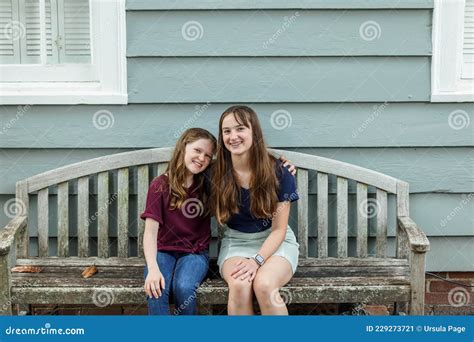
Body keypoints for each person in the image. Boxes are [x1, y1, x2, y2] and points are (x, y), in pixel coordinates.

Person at [212, 105, 300, 315]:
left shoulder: (280, 173)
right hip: (236, 242)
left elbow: (278, 230)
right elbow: (182, 175)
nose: (233, 136)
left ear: (254, 132)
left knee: (264, 285)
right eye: (227, 131)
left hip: (276, 242)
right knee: (240, 285)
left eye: (240, 128)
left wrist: (257, 261)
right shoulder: (215, 173)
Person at [141, 128, 216, 315]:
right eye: (197, 151)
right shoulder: (160, 185)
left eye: (207, 155)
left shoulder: (208, 184)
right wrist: (152, 269)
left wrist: (281, 164)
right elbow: (150, 233)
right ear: (183, 147)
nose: (201, 158)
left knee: (183, 287)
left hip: (195, 252)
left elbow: (241, 166)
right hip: (163, 251)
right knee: (157, 288)